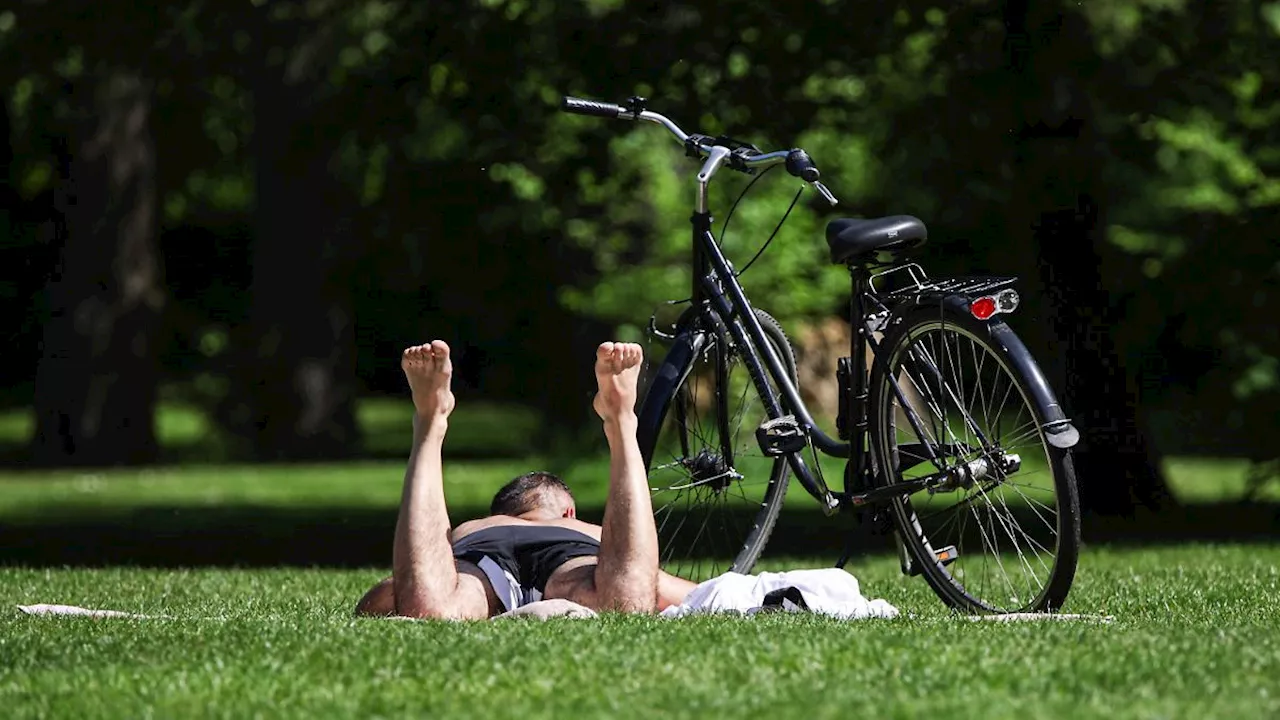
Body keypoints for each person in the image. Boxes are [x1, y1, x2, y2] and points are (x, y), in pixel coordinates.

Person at [355, 339, 698, 619]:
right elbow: (674, 591)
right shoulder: (581, 531)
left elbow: (384, 595)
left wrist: (404, 590)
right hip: (575, 561)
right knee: (626, 605)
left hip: (477, 560)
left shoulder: (476, 528)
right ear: (569, 512)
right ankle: (621, 421)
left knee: (430, 610)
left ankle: (430, 423)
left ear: (501, 513)